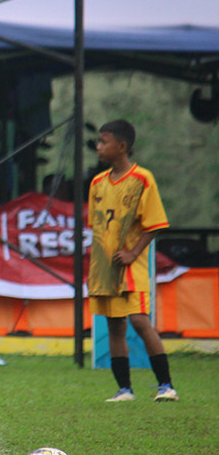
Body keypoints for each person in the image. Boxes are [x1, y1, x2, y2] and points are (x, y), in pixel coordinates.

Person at [88, 119, 178, 403]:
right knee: (115, 326)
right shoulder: (97, 183)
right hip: (107, 268)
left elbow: (154, 224)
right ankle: (124, 389)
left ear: (121, 146)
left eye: (103, 142)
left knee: (139, 321)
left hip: (131, 267)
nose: (98, 147)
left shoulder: (142, 179)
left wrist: (132, 253)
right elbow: (97, 227)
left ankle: (166, 385)